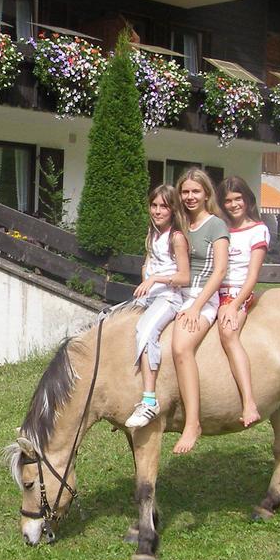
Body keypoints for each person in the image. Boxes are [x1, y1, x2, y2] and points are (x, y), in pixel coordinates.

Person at [167, 168, 229, 453]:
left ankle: (192, 423)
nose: (190, 197)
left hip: (203, 297)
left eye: (195, 191)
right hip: (177, 293)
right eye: (185, 191)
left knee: (181, 347)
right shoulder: (180, 223)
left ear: (206, 194)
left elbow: (219, 272)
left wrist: (196, 307)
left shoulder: (216, 225)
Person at [124, 184, 190, 429]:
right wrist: (146, 275)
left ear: (173, 209)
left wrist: (155, 280)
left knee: (145, 329)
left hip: (169, 297)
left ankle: (150, 400)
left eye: (164, 206)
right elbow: (149, 263)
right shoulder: (153, 234)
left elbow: (185, 276)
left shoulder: (177, 237)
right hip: (150, 295)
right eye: (154, 205)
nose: (158, 211)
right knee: (107, 317)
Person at [217, 176, 271, 427]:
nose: (233, 204)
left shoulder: (258, 230)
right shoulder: (221, 228)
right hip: (214, 291)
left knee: (229, 333)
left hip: (238, 292)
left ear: (247, 199)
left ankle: (249, 401)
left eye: (238, 198)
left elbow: (252, 276)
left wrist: (234, 303)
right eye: (228, 200)